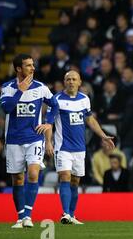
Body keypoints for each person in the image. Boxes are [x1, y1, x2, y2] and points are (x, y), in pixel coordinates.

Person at [45, 71, 115, 224]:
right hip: (63, 147)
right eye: (68, 79)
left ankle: (71, 214)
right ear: (64, 82)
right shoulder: (56, 100)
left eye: (74, 79)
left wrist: (103, 135)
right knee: (65, 177)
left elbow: (90, 120)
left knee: (75, 181)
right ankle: (65, 213)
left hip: (80, 148)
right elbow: (49, 123)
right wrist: (48, 142)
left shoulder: (84, 99)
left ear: (79, 82)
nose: (71, 82)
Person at [0, 54, 56, 228]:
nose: (32, 68)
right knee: (17, 179)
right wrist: (20, 90)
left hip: (34, 138)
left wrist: (48, 123)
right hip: (14, 139)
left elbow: (55, 104)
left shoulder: (41, 87)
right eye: (28, 65)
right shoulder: (8, 87)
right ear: (18, 69)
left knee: (33, 173)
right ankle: (20, 217)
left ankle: (28, 216)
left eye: (33, 65)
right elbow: (6, 108)